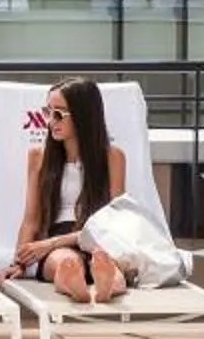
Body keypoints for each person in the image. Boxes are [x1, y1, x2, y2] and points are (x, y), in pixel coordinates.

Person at [10, 79, 130, 303]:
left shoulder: (113, 157)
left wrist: (51, 244)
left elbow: (115, 220)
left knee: (107, 265)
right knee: (66, 263)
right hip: (57, 237)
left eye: (59, 114)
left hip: (98, 237)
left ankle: (105, 287)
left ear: (83, 115)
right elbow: (31, 220)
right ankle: (80, 290)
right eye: (48, 112)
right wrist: (18, 263)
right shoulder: (39, 157)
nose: (50, 122)